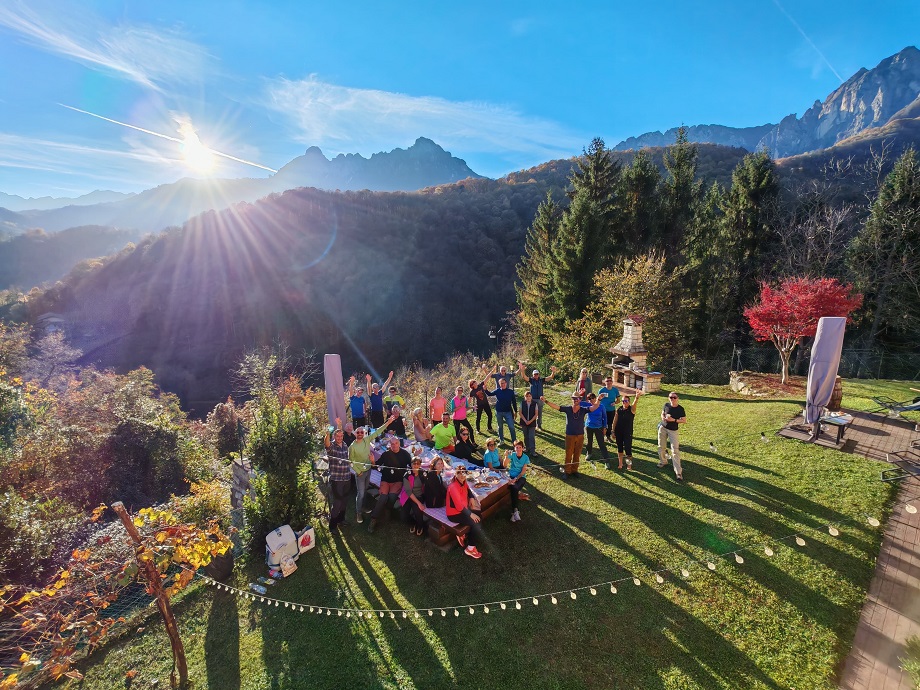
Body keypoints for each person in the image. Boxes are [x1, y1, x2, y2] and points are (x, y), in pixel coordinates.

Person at [542, 391, 605, 478]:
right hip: (570, 435)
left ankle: (574, 470)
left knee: (577, 453)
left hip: (580, 436)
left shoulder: (583, 409)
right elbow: (557, 407)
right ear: (572, 399)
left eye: (577, 398)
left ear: (580, 400)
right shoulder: (568, 409)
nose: (575, 400)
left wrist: (598, 399)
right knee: (568, 453)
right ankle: (567, 471)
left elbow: (594, 407)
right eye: (574, 398)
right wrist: (546, 401)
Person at [348, 412, 395, 523]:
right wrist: (358, 471)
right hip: (360, 473)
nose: (360, 433)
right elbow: (351, 462)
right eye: (358, 432)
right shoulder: (352, 447)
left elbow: (378, 431)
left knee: (364, 490)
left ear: (363, 433)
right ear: (355, 433)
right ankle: (358, 513)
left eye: (361, 432)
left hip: (368, 470)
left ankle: (363, 507)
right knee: (361, 493)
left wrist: (388, 422)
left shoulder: (366, 440)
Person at [368, 436, 411, 533]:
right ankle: (373, 519)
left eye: (396, 443)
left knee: (392, 497)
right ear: (389, 445)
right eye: (392, 444)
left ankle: (387, 510)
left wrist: (415, 456)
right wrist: (372, 461)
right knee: (383, 497)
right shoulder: (386, 454)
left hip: (398, 481)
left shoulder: (405, 454)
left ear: (399, 444)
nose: (394, 446)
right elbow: (376, 465)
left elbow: (412, 465)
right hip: (386, 480)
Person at [446, 466, 485, 559]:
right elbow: (459, 507)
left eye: (464, 473)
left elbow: (468, 489)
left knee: (479, 515)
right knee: (476, 522)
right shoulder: (453, 486)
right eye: (459, 473)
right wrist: (470, 514)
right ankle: (470, 548)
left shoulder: (463, 482)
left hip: (463, 510)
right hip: (454, 514)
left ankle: (466, 535)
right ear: (456, 474)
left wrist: (471, 497)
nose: (462, 475)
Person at [323, 419, 352, 534]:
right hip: (337, 480)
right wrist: (327, 434)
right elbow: (327, 445)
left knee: (344, 501)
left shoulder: (345, 445)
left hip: (347, 478)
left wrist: (339, 425)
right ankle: (332, 526)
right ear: (334, 437)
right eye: (337, 436)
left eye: (341, 436)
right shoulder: (332, 447)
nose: (340, 438)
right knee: (338, 503)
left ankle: (341, 519)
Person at [657, 391, 687, 481]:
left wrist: (673, 420)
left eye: (674, 397)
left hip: (673, 430)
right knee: (661, 446)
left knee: (675, 450)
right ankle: (663, 461)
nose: (672, 399)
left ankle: (678, 472)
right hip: (663, 428)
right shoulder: (666, 405)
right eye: (671, 397)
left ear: (677, 398)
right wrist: (663, 417)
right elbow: (662, 413)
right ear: (668, 398)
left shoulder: (680, 409)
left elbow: (684, 420)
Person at [517, 364, 556, 430]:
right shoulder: (531, 380)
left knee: (539, 414)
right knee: (532, 413)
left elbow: (550, 377)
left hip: (540, 400)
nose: (536, 375)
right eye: (535, 374)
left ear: (539, 374)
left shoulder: (541, 380)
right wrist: (522, 371)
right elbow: (524, 377)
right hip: (533, 400)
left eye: (537, 374)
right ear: (532, 375)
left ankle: (539, 426)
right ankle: (532, 425)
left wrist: (553, 372)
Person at [612, 391, 641, 470]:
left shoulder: (631, 410)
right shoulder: (619, 409)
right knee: (620, 448)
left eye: (626, 401)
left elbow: (634, 404)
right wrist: (613, 431)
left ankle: (629, 465)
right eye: (623, 401)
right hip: (619, 432)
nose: (624, 402)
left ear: (629, 402)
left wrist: (636, 397)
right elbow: (615, 420)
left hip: (627, 432)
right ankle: (620, 463)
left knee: (628, 449)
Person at [503, 440, 530, 523]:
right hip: (511, 475)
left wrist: (516, 478)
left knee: (514, 488)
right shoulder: (512, 455)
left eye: (520, 447)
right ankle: (515, 511)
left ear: (523, 448)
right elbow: (504, 465)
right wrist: (506, 457)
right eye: (516, 447)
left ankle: (515, 511)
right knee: (514, 488)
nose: (518, 449)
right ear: (514, 448)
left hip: (521, 477)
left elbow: (523, 472)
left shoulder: (526, 458)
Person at [400, 456, 427, 536]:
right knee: (403, 516)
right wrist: (419, 503)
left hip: (419, 495)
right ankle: (413, 523)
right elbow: (408, 491)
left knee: (417, 512)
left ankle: (420, 526)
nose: (415, 465)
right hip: (409, 496)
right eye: (413, 463)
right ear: (411, 464)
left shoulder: (423, 473)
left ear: (420, 465)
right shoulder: (407, 475)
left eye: (418, 463)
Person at [486, 377, 517, 444]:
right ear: (499, 384)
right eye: (501, 383)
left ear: (506, 383)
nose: (502, 384)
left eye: (503, 383)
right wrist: (485, 389)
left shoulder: (510, 392)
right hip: (499, 412)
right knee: (500, 427)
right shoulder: (497, 391)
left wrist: (515, 411)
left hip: (508, 412)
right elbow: (489, 394)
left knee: (511, 427)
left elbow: (514, 402)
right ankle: (501, 440)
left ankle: (514, 441)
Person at [583, 393, 609, 462]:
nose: (591, 400)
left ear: (595, 398)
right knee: (589, 441)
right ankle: (589, 453)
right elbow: (578, 404)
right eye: (589, 399)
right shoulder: (588, 405)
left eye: (592, 398)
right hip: (589, 426)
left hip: (598, 427)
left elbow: (605, 417)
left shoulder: (601, 406)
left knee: (601, 443)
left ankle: (606, 458)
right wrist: (579, 395)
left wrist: (604, 427)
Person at [598, 376, 620, 442]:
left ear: (612, 382)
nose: (609, 382)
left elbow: (618, 400)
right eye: (607, 381)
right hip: (603, 410)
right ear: (605, 382)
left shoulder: (615, 390)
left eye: (610, 381)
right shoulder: (601, 390)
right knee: (602, 424)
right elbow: (598, 400)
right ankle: (601, 437)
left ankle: (608, 436)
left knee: (610, 424)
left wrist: (614, 403)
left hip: (611, 410)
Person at [519, 391, 538, 457]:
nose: (528, 397)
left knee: (531, 437)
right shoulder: (522, 403)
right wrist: (525, 420)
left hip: (532, 423)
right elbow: (520, 413)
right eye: (527, 396)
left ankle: (533, 451)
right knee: (526, 436)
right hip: (524, 422)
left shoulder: (535, 404)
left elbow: (536, 414)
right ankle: (527, 448)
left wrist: (530, 421)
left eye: (529, 396)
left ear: (531, 397)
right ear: (525, 397)